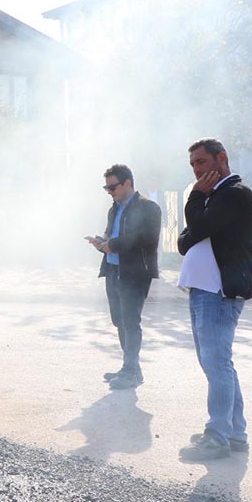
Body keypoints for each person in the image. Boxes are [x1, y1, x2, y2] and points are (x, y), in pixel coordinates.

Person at [174, 138, 252, 462]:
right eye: (193, 164)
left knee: (217, 364)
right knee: (218, 364)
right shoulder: (214, 199)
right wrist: (199, 213)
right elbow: (184, 241)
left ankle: (218, 436)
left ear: (221, 159)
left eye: (201, 162)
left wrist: (195, 198)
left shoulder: (235, 194)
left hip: (218, 292)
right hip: (203, 291)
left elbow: (198, 227)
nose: (196, 170)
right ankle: (234, 433)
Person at [85, 164, 161, 390]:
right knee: (119, 320)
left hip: (135, 273)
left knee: (130, 321)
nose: (109, 191)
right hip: (113, 270)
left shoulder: (149, 207)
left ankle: (130, 371)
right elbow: (112, 235)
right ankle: (132, 369)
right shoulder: (114, 209)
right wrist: (102, 243)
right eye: (106, 187)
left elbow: (146, 238)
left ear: (128, 183)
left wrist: (113, 244)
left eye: (112, 186)